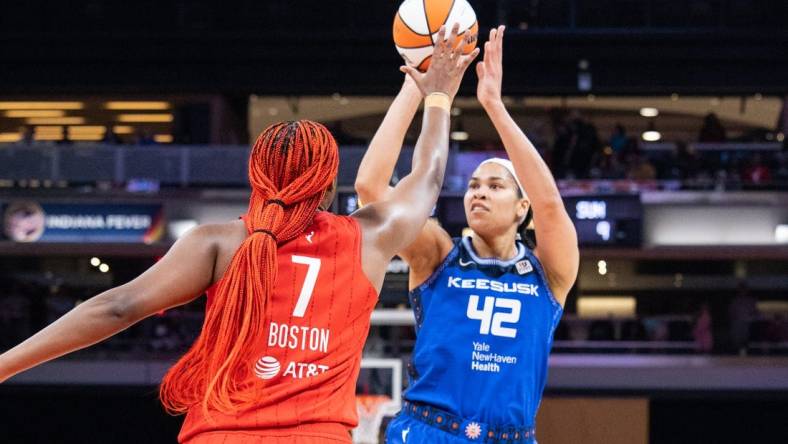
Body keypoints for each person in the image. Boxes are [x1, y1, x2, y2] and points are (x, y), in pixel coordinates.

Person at [0, 25, 479, 444]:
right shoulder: (368, 237)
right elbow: (427, 178)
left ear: (257, 176)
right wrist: (437, 94)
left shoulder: (219, 242)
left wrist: (5, 365)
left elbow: (116, 307)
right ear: (329, 185)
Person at [355, 26, 578, 444]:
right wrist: (417, 86)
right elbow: (371, 187)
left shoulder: (549, 272)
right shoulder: (438, 253)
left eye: (495, 186)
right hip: (429, 431)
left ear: (521, 207)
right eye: (474, 185)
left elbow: (550, 203)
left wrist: (493, 106)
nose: (478, 192)